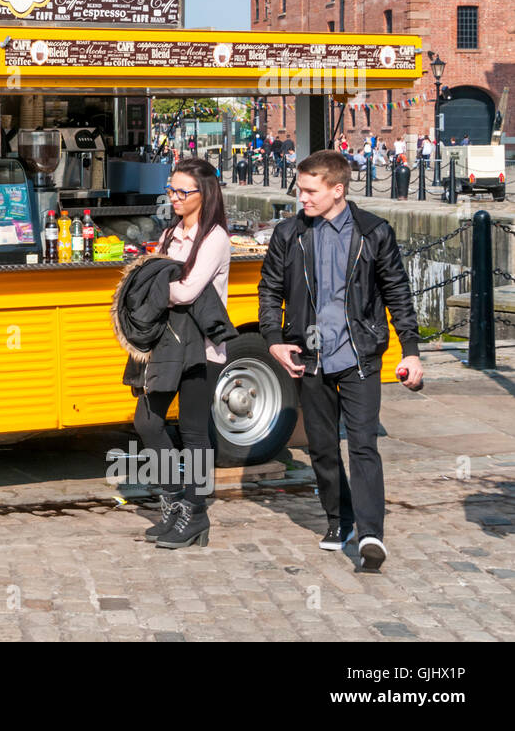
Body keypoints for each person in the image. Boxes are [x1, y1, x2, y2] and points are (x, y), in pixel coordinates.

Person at [257, 150, 423, 572]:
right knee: (323, 448)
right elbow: (269, 289)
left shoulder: (374, 233)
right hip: (309, 357)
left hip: (359, 357)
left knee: (364, 446)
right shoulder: (289, 234)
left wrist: (412, 352)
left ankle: (371, 534)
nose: (302, 198)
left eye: (310, 190)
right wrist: (274, 340)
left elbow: (398, 294)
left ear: (337, 189)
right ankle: (340, 517)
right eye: (301, 189)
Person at [122, 158, 233, 549]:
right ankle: (172, 500)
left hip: (202, 348)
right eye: (171, 190)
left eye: (182, 191)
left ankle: (195, 512)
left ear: (204, 194)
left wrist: (150, 291)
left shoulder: (215, 237)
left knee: (194, 431)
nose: (174, 197)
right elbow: (167, 280)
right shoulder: (171, 233)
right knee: (148, 421)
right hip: (168, 344)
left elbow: (186, 291)